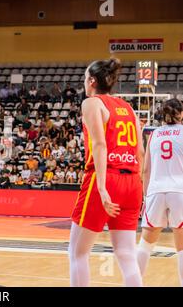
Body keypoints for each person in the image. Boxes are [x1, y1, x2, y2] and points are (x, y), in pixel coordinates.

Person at [69, 58, 144, 287]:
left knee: (77, 253)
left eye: (84, 78)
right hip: (132, 181)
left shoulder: (92, 103)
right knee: (127, 255)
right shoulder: (129, 108)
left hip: (105, 176)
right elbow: (140, 151)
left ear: (91, 81)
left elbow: (100, 145)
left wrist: (101, 187)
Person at [137, 99, 183, 286]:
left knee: (145, 245)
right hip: (179, 190)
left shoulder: (154, 134)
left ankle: (134, 282)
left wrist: (145, 199)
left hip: (155, 191)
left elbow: (146, 170)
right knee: (181, 247)